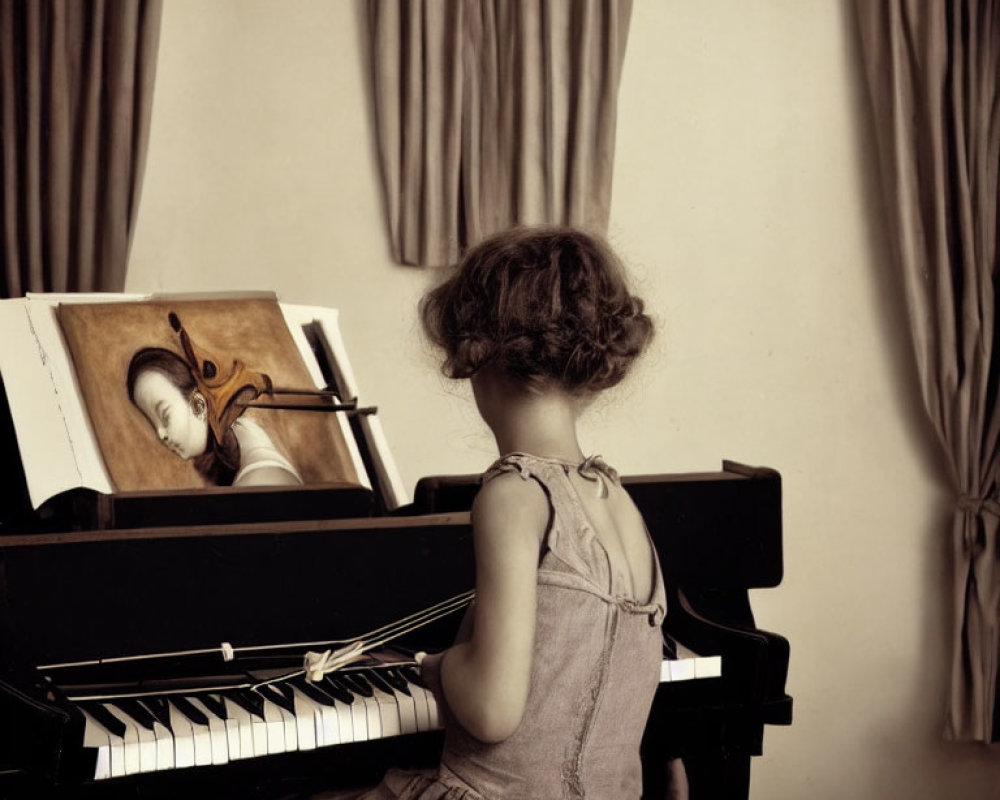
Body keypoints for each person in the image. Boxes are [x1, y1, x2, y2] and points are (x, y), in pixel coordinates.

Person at [316, 226, 675, 800]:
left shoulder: (513, 495)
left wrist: (437, 665)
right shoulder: (619, 502)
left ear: (477, 354)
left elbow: (492, 709)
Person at [127, 347, 302, 487]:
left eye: (164, 415)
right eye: (152, 422)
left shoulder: (261, 481)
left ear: (198, 405)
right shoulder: (247, 448)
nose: (160, 434)